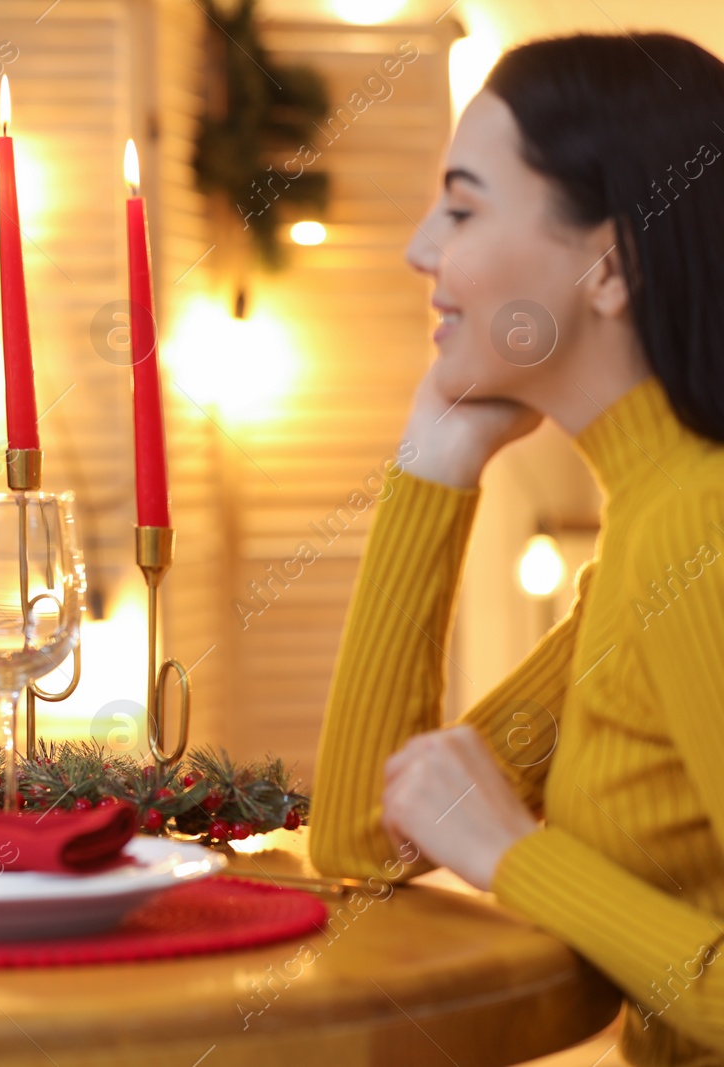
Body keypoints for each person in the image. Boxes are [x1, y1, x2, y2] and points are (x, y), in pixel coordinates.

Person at [310, 32, 724, 1065]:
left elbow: (448, 829)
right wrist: (438, 455)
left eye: (461, 205)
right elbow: (369, 831)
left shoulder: (696, 527)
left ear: (609, 265)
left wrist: (511, 853)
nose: (418, 248)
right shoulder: (652, 522)